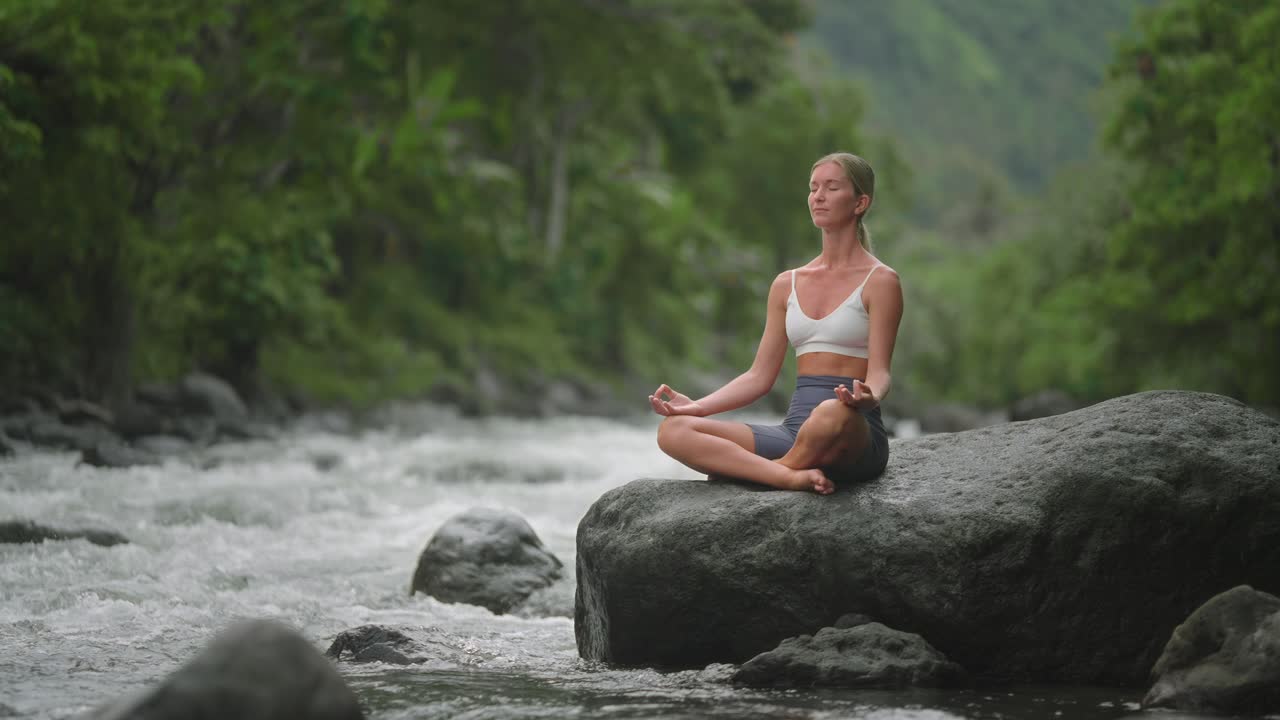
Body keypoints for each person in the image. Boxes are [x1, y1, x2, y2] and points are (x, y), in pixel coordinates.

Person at [649, 152, 903, 495]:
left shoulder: (881, 281)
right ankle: (788, 476)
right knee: (674, 430)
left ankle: (765, 472)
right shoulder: (787, 283)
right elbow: (759, 376)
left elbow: (880, 373)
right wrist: (697, 407)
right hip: (794, 433)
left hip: (853, 432)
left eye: (831, 188)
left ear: (860, 203)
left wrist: (869, 397)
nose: (818, 197)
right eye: (813, 188)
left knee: (831, 412)